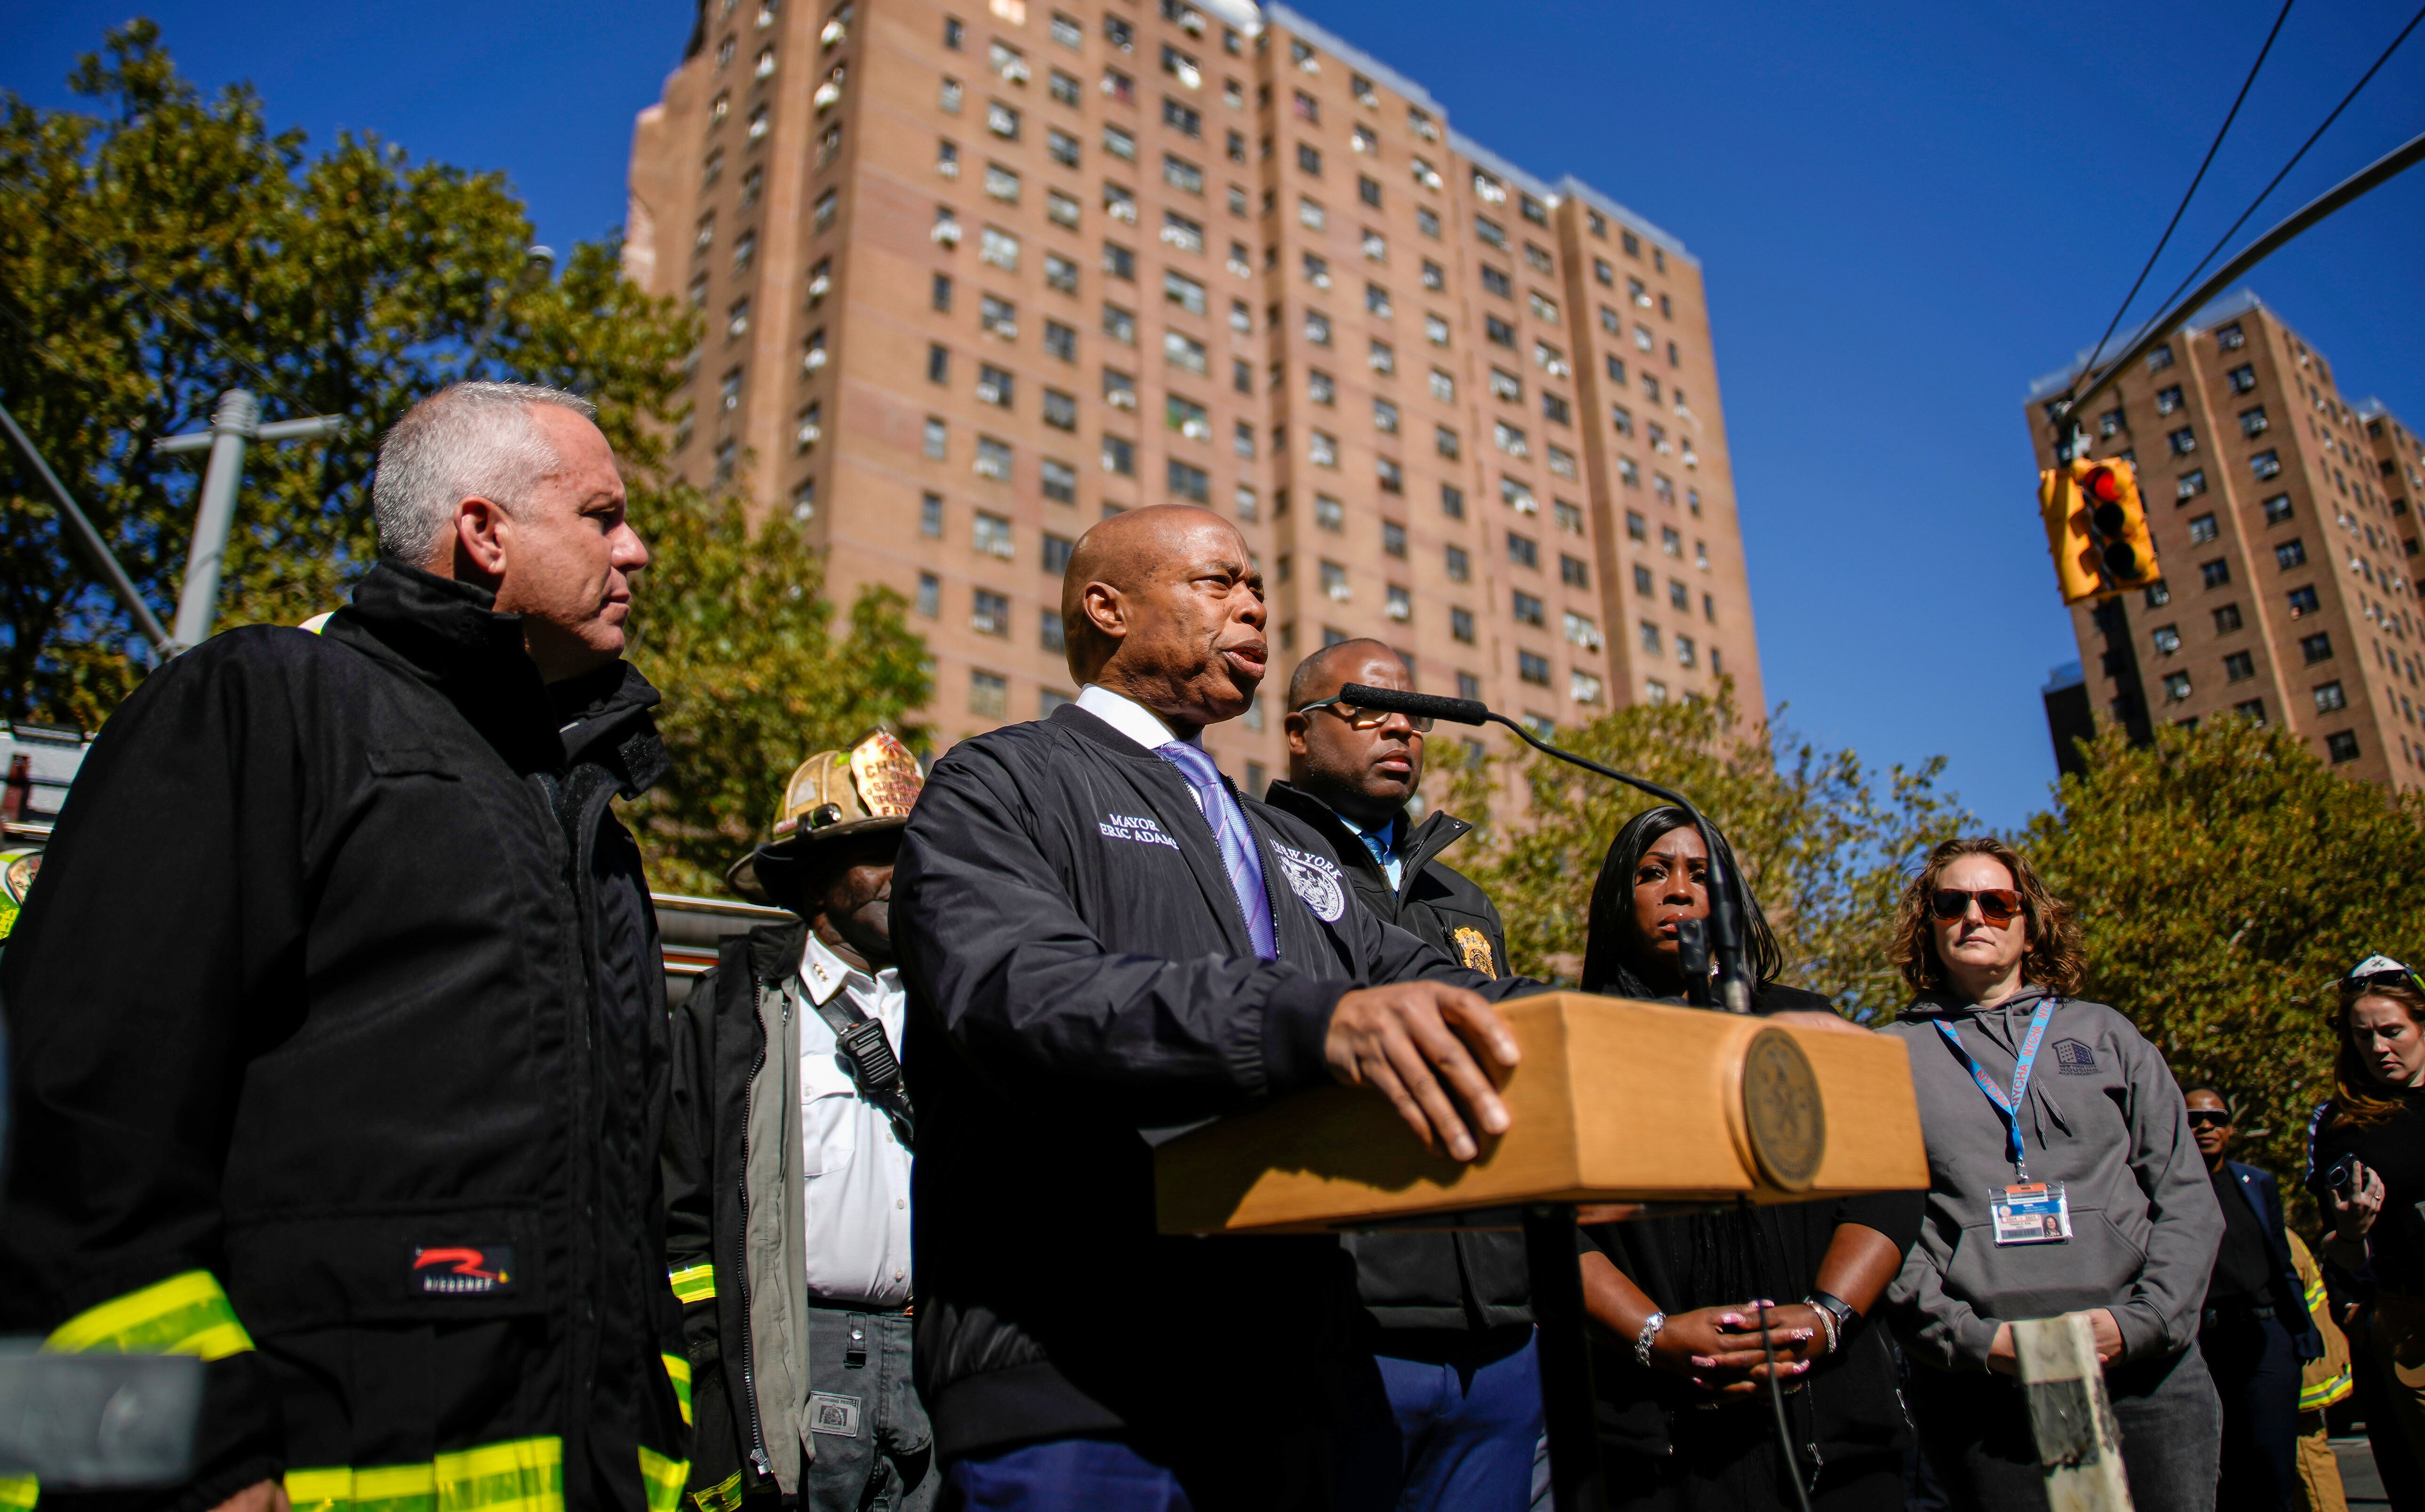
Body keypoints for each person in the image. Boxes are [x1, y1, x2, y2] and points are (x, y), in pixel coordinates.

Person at [0, 382, 687, 1509]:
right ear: (483, 533)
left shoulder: (588, 827)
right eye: (602, 516)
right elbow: (71, 1118)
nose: (638, 550)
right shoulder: (262, 702)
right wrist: (191, 1458)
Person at [888, 505, 1541, 1511]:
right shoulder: (1000, 781)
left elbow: (1437, 986)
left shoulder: (1280, 843)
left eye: (1259, 589)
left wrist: (1692, 1033)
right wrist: (1304, 1019)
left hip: (1307, 1380)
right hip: (1081, 1377)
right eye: (1218, 583)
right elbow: (1023, 993)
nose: (1254, 606)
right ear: (1107, 608)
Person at [1571, 806, 1922, 1512]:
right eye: (1652, 872)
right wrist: (1657, 1335)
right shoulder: (1576, 1042)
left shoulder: (1808, 1020)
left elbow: (1889, 1184)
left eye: (1700, 873)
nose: (1678, 889)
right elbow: (1551, 1230)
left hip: (1830, 1429)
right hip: (1655, 1447)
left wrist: (1822, 1318)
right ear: (1618, 895)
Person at [1266, 638, 1541, 1512]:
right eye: (1365, 706)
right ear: (1297, 731)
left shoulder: (1464, 902)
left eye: (1415, 714)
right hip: (1335, 1323)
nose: (1399, 726)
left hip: (1498, 1334)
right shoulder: (1248, 857)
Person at [1884, 837, 2220, 1512]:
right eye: (1951, 903)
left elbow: (2185, 1195)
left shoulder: (2107, 1034)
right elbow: (1883, 1229)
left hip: (2146, 1375)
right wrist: (1974, 1340)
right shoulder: (1886, 1056)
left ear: (2029, 920)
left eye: (1995, 901)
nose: (1973, 916)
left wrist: (2143, 1322)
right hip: (1984, 1387)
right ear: (1928, 924)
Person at [665, 733, 937, 1512]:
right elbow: (680, 1210)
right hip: (796, 1359)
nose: (902, 872)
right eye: (876, 848)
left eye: (912, 848)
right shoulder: (735, 1017)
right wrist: (714, 1370)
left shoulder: (957, 1004)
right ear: (813, 871)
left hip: (932, 1362)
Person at [2309, 954, 2425, 1509]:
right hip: (2420, 1331)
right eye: (2363, 1036)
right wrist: (2351, 1232)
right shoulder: (2342, 1127)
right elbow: (2338, 1253)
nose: (2379, 1047)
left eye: (2392, 1031)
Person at [2183, 1086, 2321, 1509]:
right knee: (2225, 1465)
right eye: (2194, 1118)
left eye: (2217, 1118)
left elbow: (2280, 1261)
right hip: (2209, 1344)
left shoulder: (2257, 1183)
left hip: (2268, 1337)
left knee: (2273, 1459)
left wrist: (2302, 1327)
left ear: (2231, 1127)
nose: (2206, 1126)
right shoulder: (2167, 1191)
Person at [2281, 1226, 2352, 1512]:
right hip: (2303, 1371)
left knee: (2308, 1466)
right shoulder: (2270, 1225)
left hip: (2297, 1379)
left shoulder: (2255, 1230)